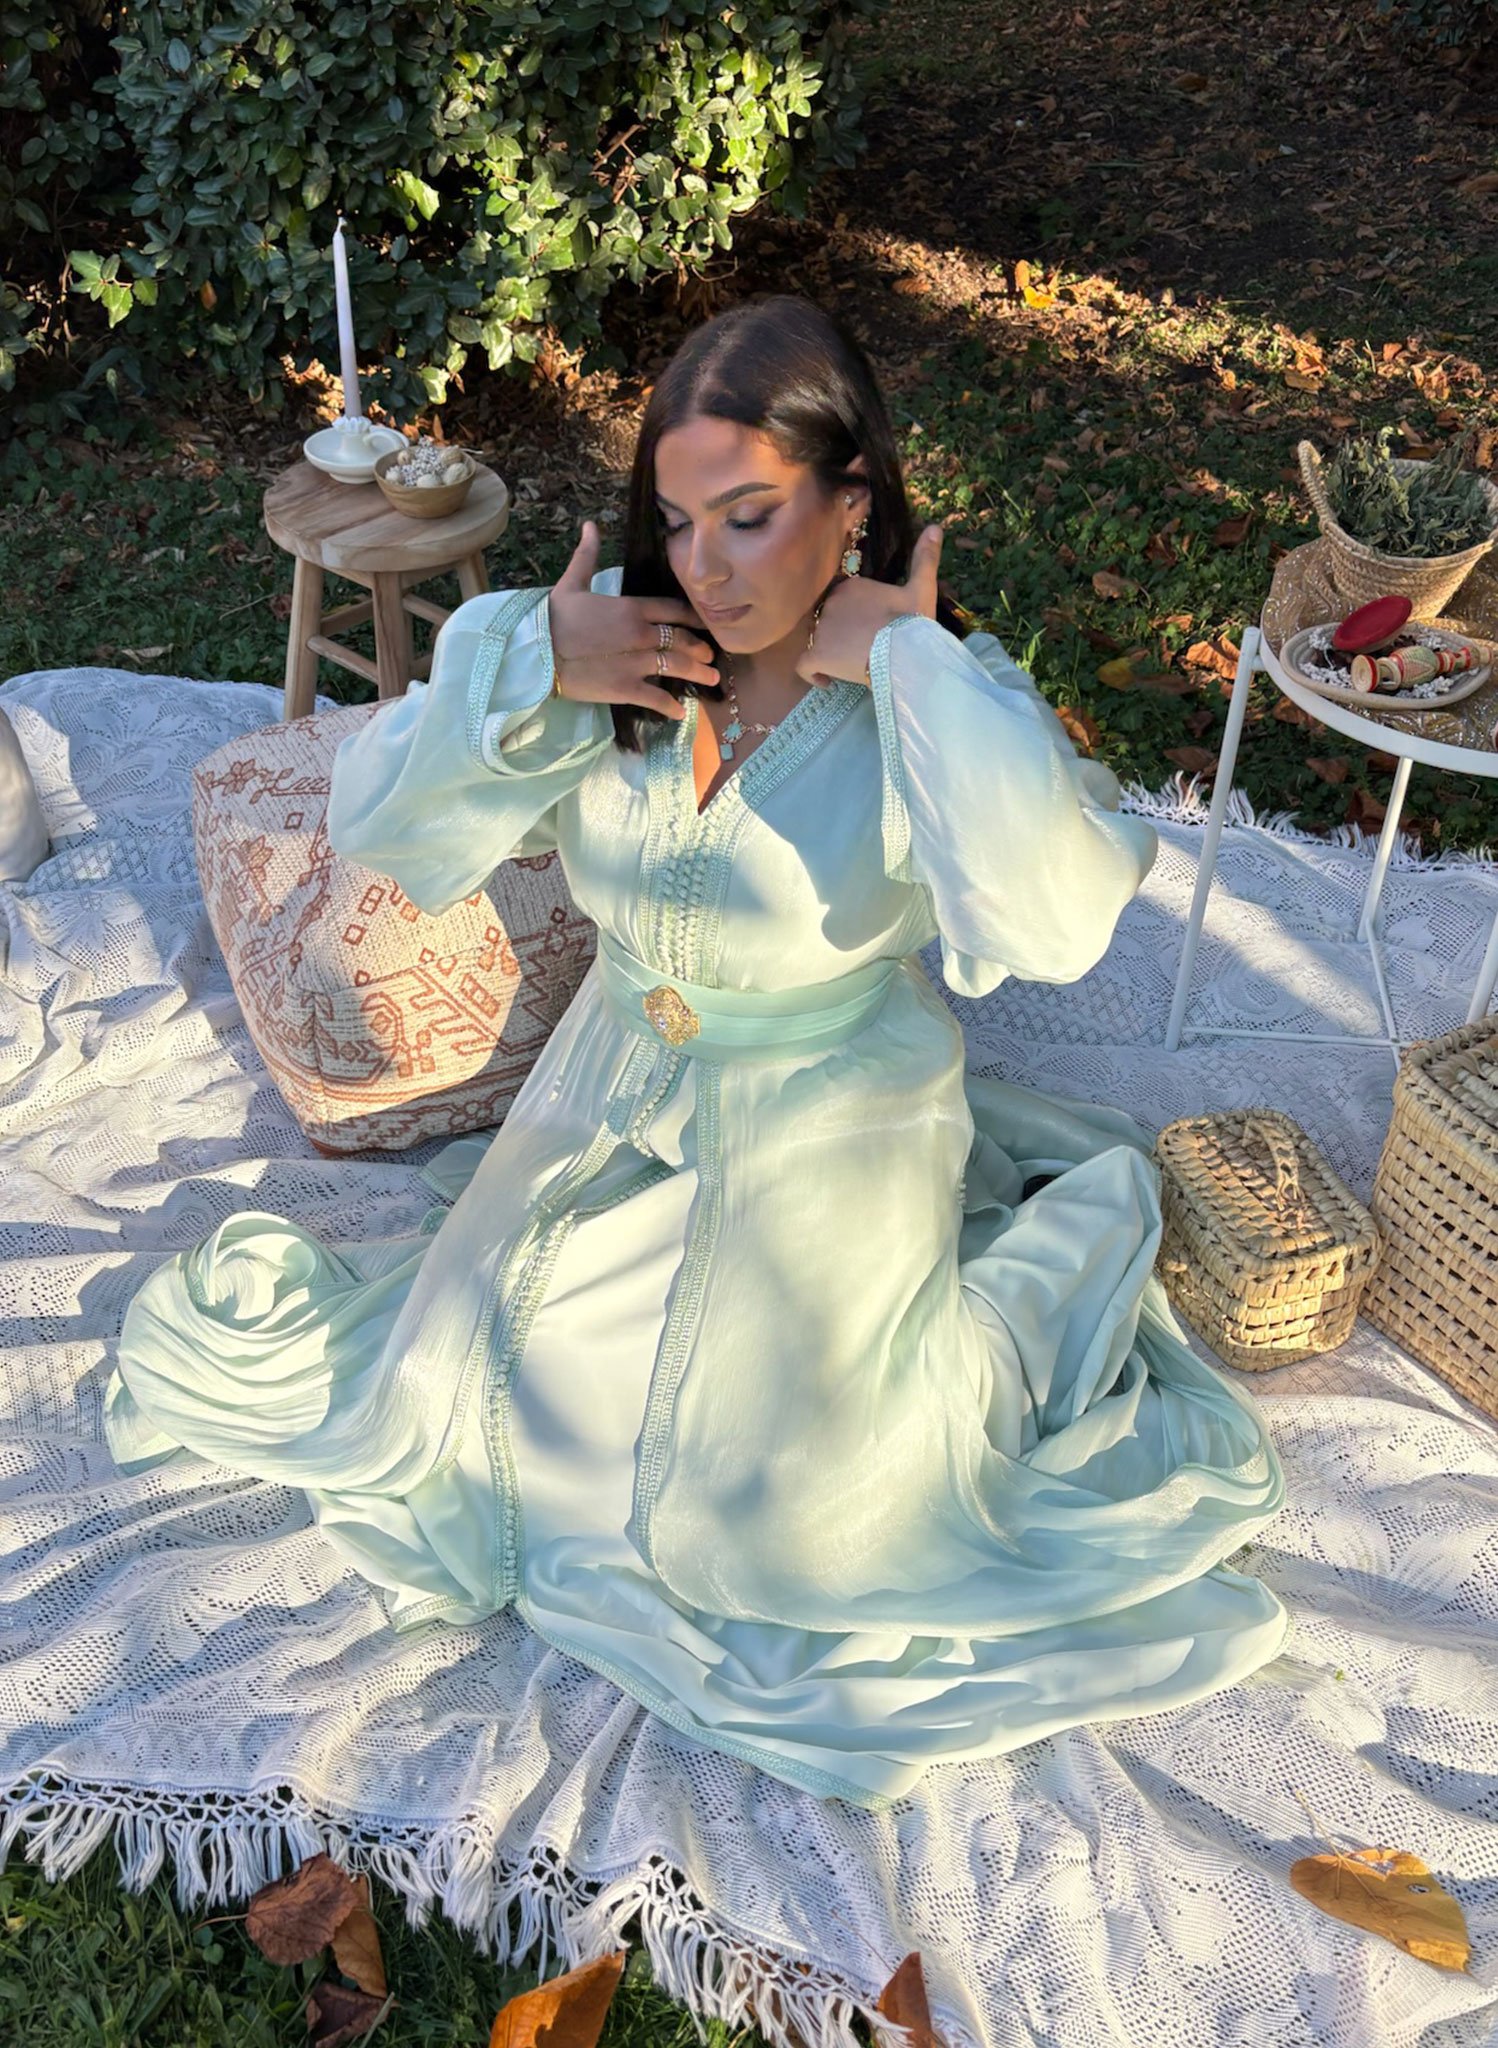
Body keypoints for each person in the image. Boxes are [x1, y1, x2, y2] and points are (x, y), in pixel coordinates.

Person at [104, 294, 1288, 1811]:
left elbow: (1054, 916)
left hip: (826, 1120)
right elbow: (384, 827)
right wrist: (529, 656)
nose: (707, 566)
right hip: (609, 1083)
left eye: (749, 516)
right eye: (676, 519)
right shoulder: (627, 645)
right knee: (476, 1407)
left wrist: (912, 664)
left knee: (767, 1513)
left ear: (849, 503)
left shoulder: (930, 699)